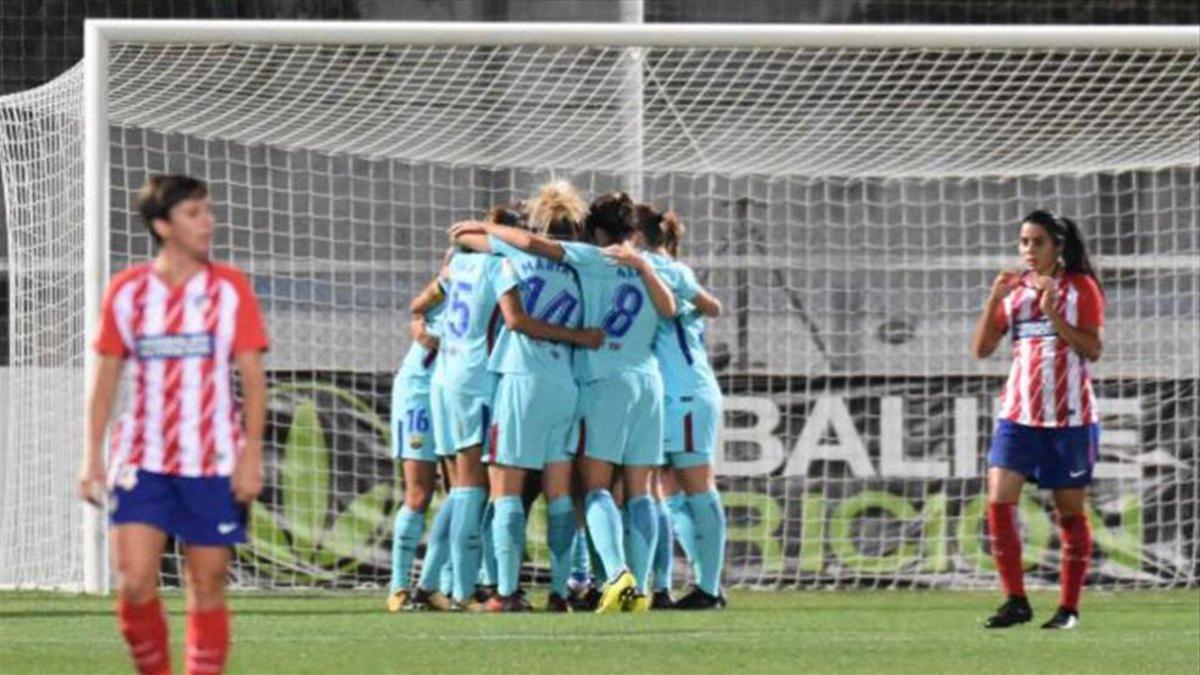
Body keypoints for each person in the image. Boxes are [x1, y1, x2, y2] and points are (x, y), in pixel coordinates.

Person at [451, 190, 677, 613]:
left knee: (516, 493)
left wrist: (487, 226)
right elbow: (676, 309)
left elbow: (491, 247)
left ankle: (508, 591)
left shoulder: (576, 260)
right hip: (606, 385)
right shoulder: (653, 266)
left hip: (544, 380)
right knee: (619, 492)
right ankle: (578, 591)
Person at [79, 175, 268, 675]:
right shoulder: (127, 292)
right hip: (142, 459)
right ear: (163, 225)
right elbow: (104, 381)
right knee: (135, 581)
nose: (208, 222)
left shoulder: (229, 289)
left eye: (208, 211)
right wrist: (90, 456)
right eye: (194, 213)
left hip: (213, 462)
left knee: (206, 584)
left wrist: (251, 457)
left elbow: (253, 381)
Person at [432, 204, 600, 609]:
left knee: (505, 489)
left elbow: (461, 237)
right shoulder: (584, 266)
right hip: (565, 385)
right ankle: (560, 593)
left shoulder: (514, 255)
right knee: (559, 492)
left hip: (522, 381)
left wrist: (490, 228)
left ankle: (506, 592)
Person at [970, 210, 1105, 630]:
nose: (1028, 251)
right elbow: (982, 349)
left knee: (1068, 513)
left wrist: (1053, 314)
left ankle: (1068, 609)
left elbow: (1092, 349)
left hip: (1069, 418)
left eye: (1037, 242)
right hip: (1018, 415)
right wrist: (994, 298)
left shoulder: (1081, 287)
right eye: (1023, 242)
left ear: (1058, 247)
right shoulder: (1014, 292)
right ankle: (1016, 600)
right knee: (998, 500)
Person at [633, 203, 727, 610]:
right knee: (667, 490)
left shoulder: (664, 268)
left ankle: (710, 587)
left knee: (696, 485)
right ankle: (677, 585)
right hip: (665, 393)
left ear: (636, 236)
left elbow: (713, 305)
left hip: (686, 392)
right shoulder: (650, 267)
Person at [386, 259, 449, 612]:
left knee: (462, 494)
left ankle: (433, 584)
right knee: (419, 492)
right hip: (422, 389)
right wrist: (419, 324)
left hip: (461, 391)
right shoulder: (456, 272)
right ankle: (398, 586)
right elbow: (416, 307)